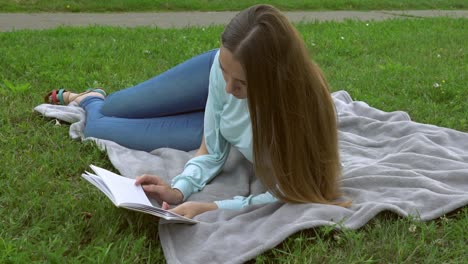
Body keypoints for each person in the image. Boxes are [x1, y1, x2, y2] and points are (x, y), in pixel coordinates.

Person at [45, 4, 347, 219]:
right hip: (211, 78)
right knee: (115, 106)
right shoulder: (225, 71)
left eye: (240, 83)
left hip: (227, 116)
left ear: (274, 82)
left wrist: (213, 208)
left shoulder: (300, 119)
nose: (228, 90)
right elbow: (212, 151)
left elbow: (293, 193)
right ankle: (97, 96)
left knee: (98, 126)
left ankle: (87, 101)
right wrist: (179, 189)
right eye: (225, 74)